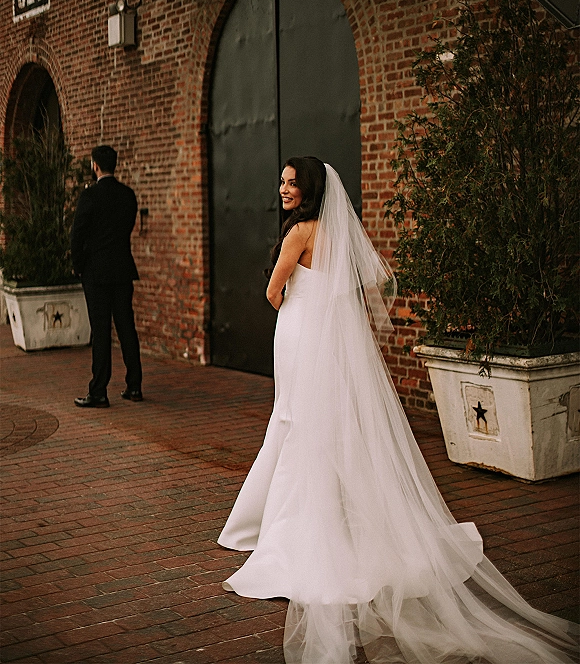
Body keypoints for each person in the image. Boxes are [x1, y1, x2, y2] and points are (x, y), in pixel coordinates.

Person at [218, 157, 577, 664]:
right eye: (280, 181)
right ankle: (336, 517)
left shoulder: (299, 233)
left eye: (290, 183)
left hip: (299, 336)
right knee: (329, 424)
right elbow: (371, 285)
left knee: (295, 420)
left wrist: (293, 303)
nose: (282, 189)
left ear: (309, 189)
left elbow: (273, 292)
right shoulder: (338, 233)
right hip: (332, 341)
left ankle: (290, 525)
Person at [71, 145, 143, 408]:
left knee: (101, 331)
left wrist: (78, 264)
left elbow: (77, 233)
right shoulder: (128, 196)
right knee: (126, 327)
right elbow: (128, 227)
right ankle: (134, 385)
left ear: (95, 166)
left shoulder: (90, 197)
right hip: (122, 269)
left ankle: (99, 390)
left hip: (96, 272)